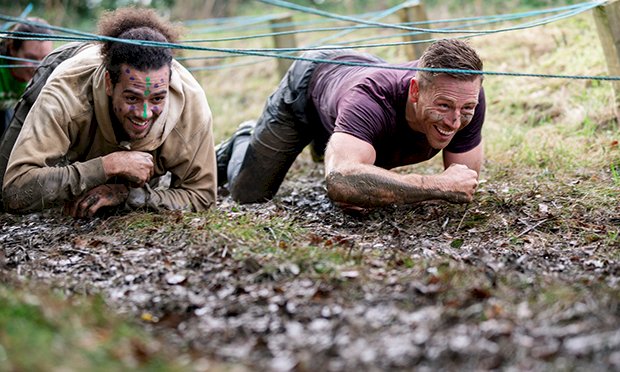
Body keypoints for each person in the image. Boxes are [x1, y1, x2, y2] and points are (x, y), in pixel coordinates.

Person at [216, 38, 485, 208]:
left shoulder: (464, 93)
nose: (454, 121)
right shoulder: (370, 100)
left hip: (350, 81)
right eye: (444, 106)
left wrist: (374, 188)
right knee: (248, 195)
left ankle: (330, 142)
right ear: (415, 91)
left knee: (364, 177)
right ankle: (243, 137)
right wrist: (435, 185)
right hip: (307, 85)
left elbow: (463, 182)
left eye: (467, 108)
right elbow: (341, 181)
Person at [1, 8, 216, 217]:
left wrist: (129, 195)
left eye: (157, 99)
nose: (144, 113)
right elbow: (15, 190)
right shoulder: (65, 95)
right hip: (66, 66)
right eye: (132, 98)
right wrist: (107, 165)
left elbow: (202, 197)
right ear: (109, 85)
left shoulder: (192, 108)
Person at [0, 18, 54, 138]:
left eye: (45, 58)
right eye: (31, 58)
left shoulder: (49, 73)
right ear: (12, 49)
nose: (39, 67)